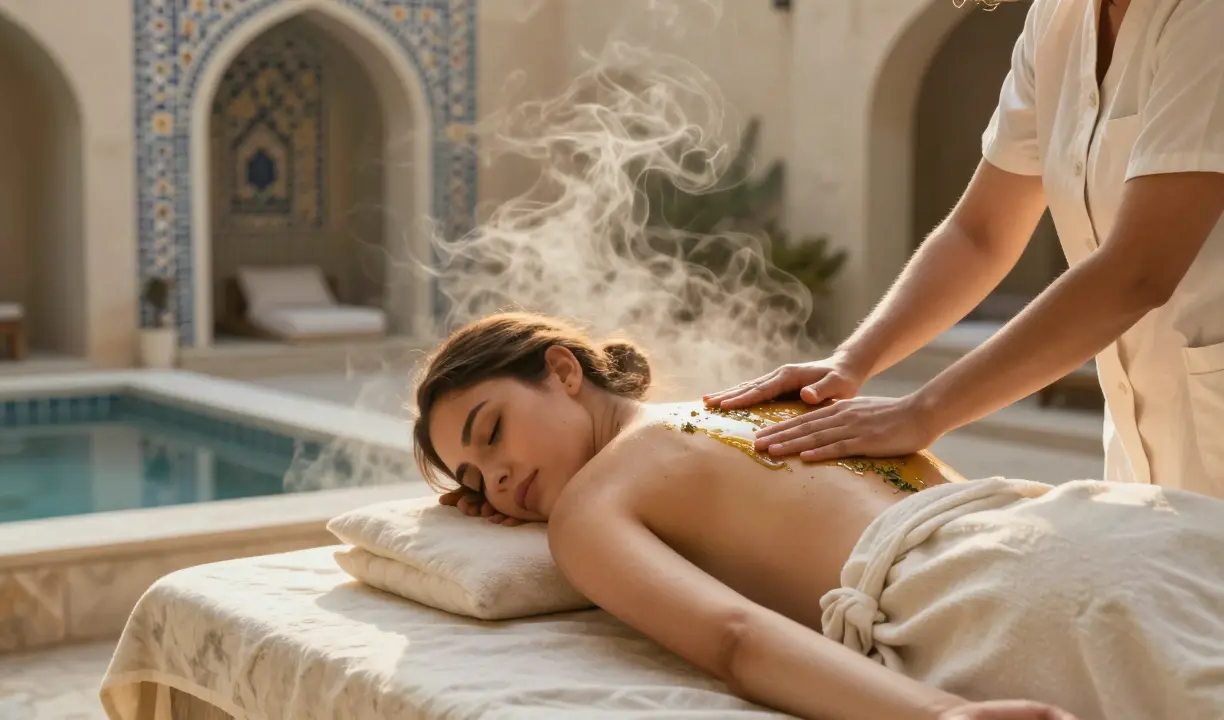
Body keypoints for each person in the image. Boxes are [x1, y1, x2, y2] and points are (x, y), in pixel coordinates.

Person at [418, 311, 1224, 720]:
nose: (499, 477)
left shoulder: (591, 508)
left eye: (492, 432)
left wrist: (939, 716)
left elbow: (736, 638)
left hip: (994, 596)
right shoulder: (747, 402)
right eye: (475, 479)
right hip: (1108, 525)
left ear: (562, 371)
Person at [705, 0, 1224, 498]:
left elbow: (1137, 271)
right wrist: (851, 361)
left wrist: (922, 413)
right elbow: (980, 234)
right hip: (1142, 452)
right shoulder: (1057, 20)